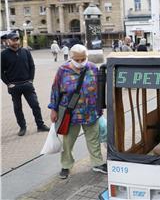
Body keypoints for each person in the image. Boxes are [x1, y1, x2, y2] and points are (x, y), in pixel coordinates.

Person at [48, 44, 107, 179]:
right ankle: (66, 165)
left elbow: (99, 89)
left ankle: (97, 163)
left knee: (93, 139)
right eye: (77, 60)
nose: (80, 62)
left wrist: (100, 107)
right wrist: (53, 110)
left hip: (91, 111)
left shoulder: (92, 67)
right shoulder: (62, 70)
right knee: (68, 142)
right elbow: (55, 90)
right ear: (71, 57)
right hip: (71, 113)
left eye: (83, 59)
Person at [1, 30, 50, 136]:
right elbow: (1, 72)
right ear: (8, 41)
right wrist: (8, 84)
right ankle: (22, 127)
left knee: (35, 105)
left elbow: (32, 66)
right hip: (14, 86)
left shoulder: (25, 51)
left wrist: (31, 80)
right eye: (13, 40)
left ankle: (40, 125)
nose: (16, 42)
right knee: (18, 108)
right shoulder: (3, 54)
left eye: (17, 39)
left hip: (27, 84)